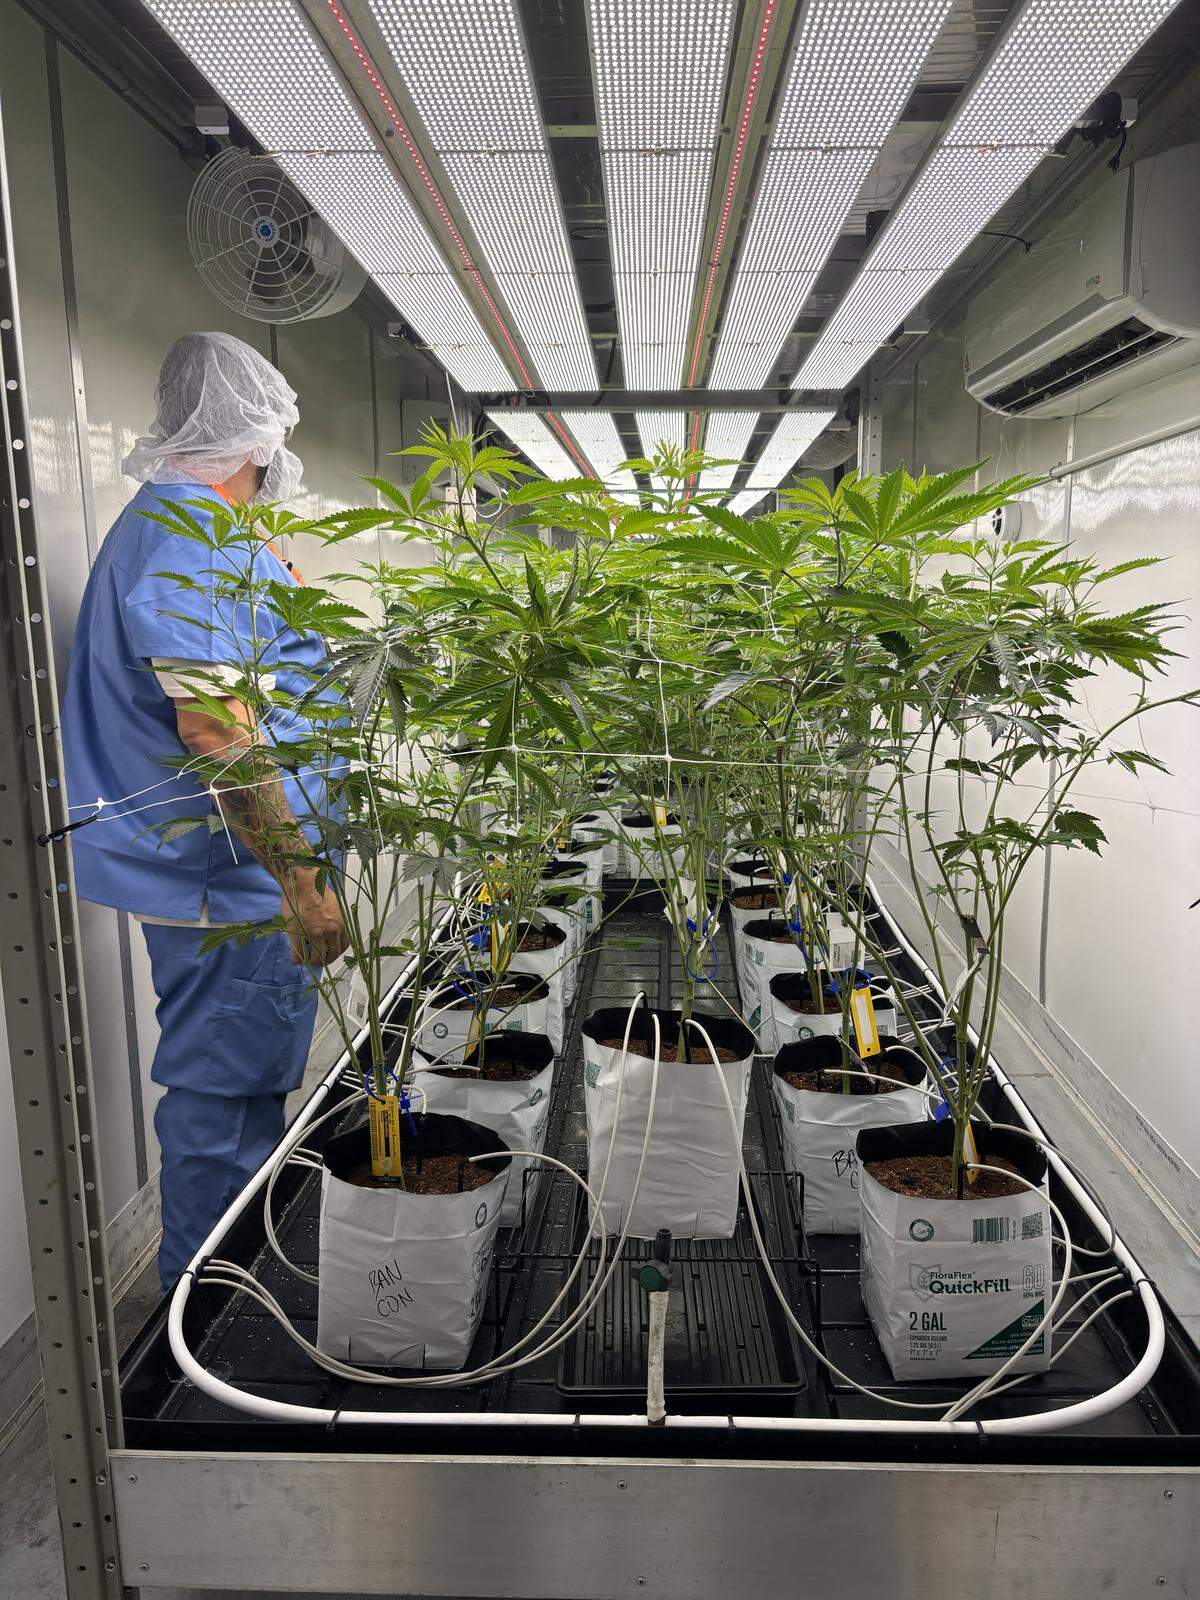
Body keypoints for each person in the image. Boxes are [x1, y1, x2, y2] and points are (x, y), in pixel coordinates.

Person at [62, 332, 349, 1292]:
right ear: (258, 442)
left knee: (245, 1092)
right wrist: (301, 879)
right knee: (225, 1105)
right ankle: (208, 1320)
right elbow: (216, 727)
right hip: (230, 882)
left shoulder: (200, 533)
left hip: (244, 875)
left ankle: (230, 1289)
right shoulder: (183, 536)